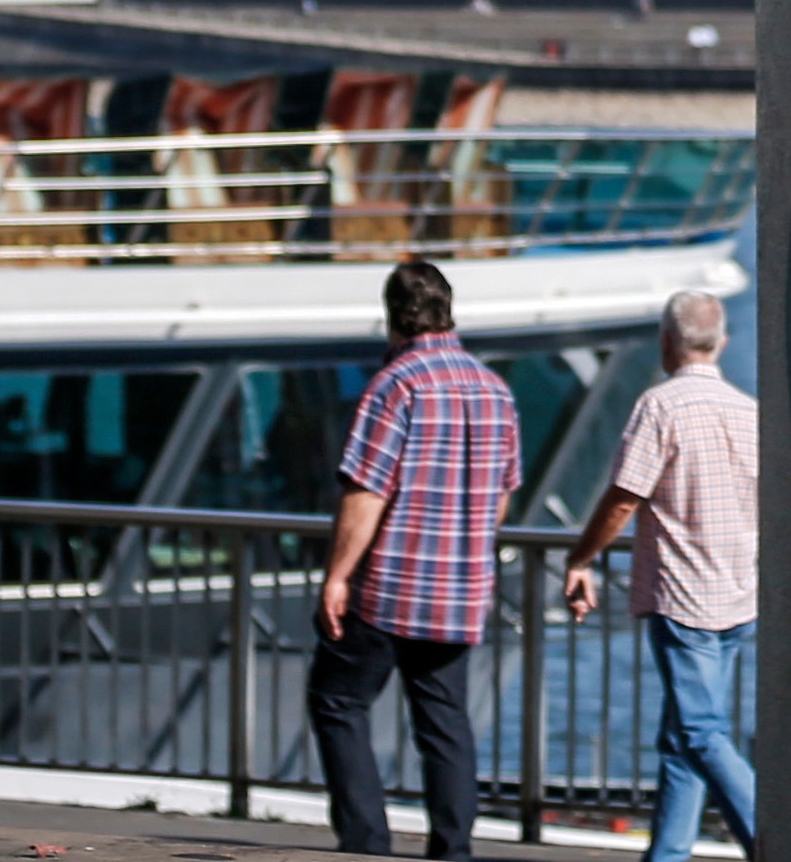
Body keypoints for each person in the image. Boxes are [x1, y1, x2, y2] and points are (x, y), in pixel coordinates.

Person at [312, 257, 523, 857]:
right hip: (460, 589)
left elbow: (366, 490)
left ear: (393, 319)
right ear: (447, 311)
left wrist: (337, 576)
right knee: (444, 723)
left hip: (390, 586)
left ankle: (366, 841)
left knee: (338, 701)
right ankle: (453, 850)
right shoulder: (495, 389)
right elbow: (504, 493)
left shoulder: (396, 384)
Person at [562, 293, 758, 862]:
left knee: (698, 732)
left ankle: (770, 835)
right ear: (722, 343)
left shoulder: (660, 406)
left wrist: (581, 559)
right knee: (681, 739)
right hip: (738, 594)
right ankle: (667, 856)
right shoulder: (750, 412)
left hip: (684, 595)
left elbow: (624, 499)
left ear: (666, 341)